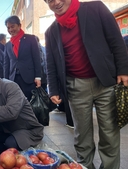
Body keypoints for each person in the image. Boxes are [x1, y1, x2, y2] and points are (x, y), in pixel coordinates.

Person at [43, 0, 128, 168]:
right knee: (82, 136)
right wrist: (53, 89)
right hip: (75, 87)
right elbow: (50, 64)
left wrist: (123, 70)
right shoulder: (51, 31)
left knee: (109, 133)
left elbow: (116, 40)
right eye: (50, 0)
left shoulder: (96, 8)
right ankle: (84, 166)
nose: (57, 2)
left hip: (106, 83)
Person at [3, 15, 42, 101]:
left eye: (12, 26)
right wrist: (5, 81)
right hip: (13, 79)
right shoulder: (8, 45)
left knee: (31, 103)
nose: (10, 30)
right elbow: (6, 65)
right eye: (8, 28)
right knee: (16, 102)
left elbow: (36, 58)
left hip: (29, 78)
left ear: (19, 25)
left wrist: (38, 76)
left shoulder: (31, 39)